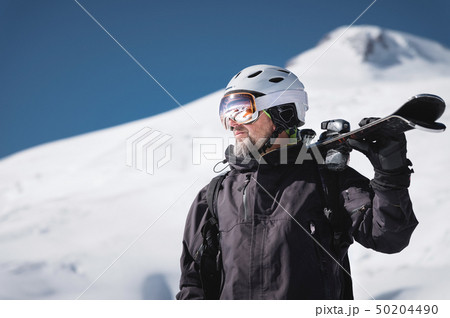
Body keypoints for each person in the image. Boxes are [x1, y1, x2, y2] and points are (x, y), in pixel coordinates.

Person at [176, 64, 418, 300]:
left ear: (284, 112)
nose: (233, 122)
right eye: (226, 111)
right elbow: (193, 283)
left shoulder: (329, 178)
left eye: (241, 109)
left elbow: (388, 238)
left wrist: (390, 176)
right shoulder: (215, 194)